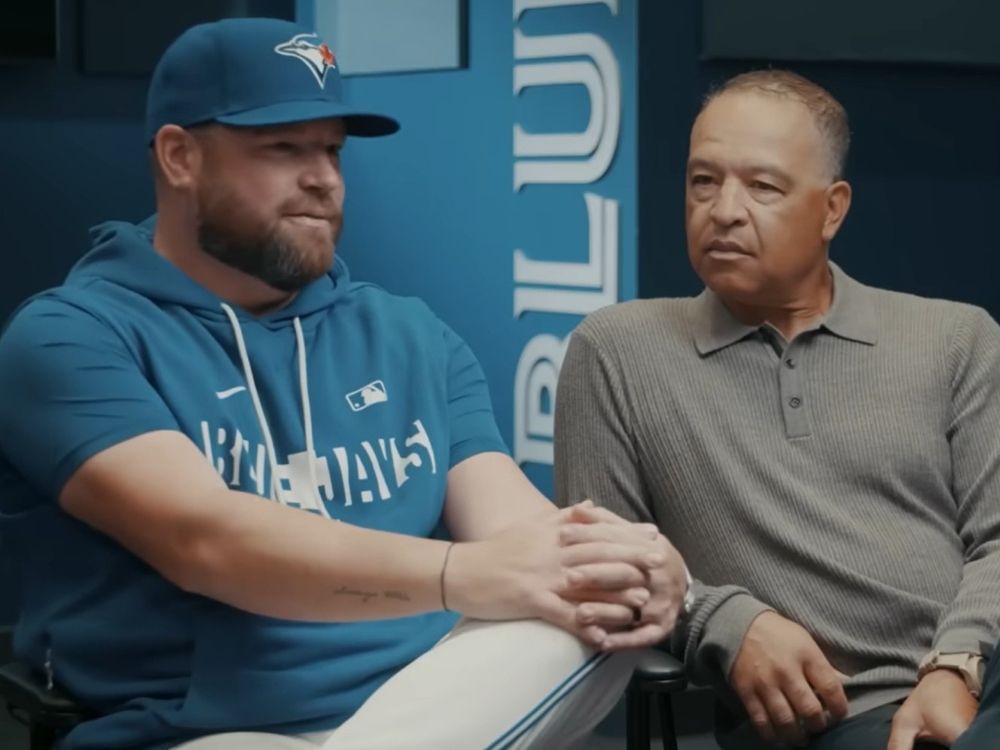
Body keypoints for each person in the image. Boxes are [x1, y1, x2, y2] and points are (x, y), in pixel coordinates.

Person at [0, 17, 689, 750]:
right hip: (204, 731)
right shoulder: (71, 337)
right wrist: (465, 573)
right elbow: (205, 543)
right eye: (282, 148)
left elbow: (522, 532)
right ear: (179, 157)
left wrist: (643, 563)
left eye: (331, 148)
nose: (322, 178)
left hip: (435, 697)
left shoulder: (409, 334)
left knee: (590, 624)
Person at [554, 69, 1000, 750]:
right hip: (842, 715)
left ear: (832, 209)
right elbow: (600, 574)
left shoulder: (956, 338)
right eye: (704, 181)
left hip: (980, 673)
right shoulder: (618, 350)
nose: (724, 209)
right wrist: (722, 619)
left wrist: (956, 664)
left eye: (762, 187)